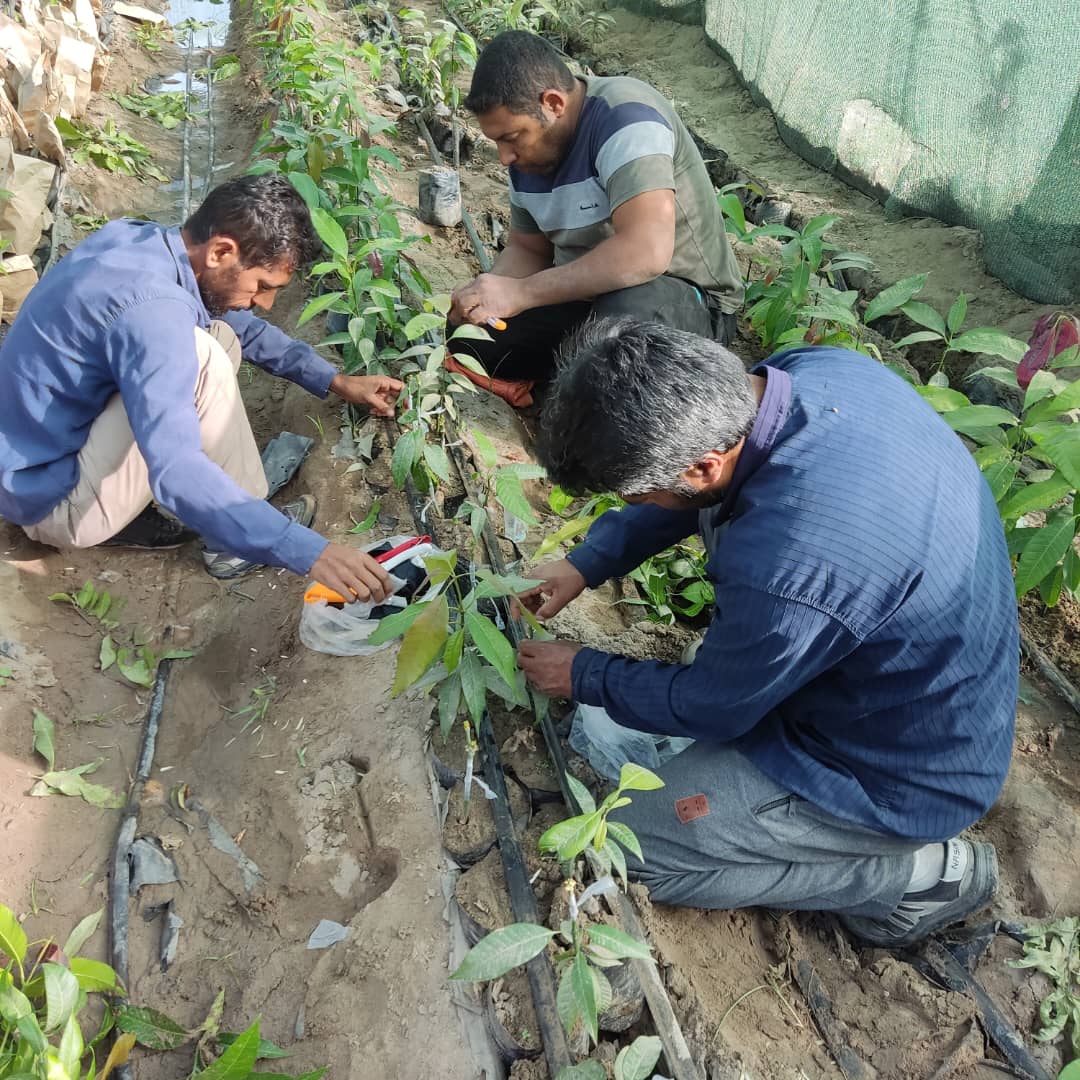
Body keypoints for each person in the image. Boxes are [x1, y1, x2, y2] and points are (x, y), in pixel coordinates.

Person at [516, 318, 1018, 947]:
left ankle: (919, 875)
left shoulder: (790, 565)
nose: (639, 503)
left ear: (700, 467)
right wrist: (587, 561)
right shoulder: (802, 376)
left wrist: (583, 673)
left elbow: (714, 707)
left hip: (891, 772)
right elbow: (698, 492)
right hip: (901, 685)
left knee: (627, 846)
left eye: (637, 494)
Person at [0, 174, 397, 604]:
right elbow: (176, 469)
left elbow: (238, 325)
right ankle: (230, 547)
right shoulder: (154, 313)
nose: (265, 303)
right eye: (262, 286)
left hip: (30, 462)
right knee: (204, 359)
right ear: (221, 251)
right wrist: (307, 550)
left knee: (219, 336)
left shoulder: (139, 242)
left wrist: (335, 381)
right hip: (52, 502)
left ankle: (207, 508)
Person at [448, 30, 743, 389]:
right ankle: (579, 381)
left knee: (613, 342)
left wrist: (521, 294)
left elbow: (646, 253)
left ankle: (590, 392)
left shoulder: (626, 118)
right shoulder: (527, 159)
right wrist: (487, 299)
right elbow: (528, 249)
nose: (504, 157)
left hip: (680, 300)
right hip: (588, 299)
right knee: (470, 342)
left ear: (553, 104)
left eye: (511, 138)